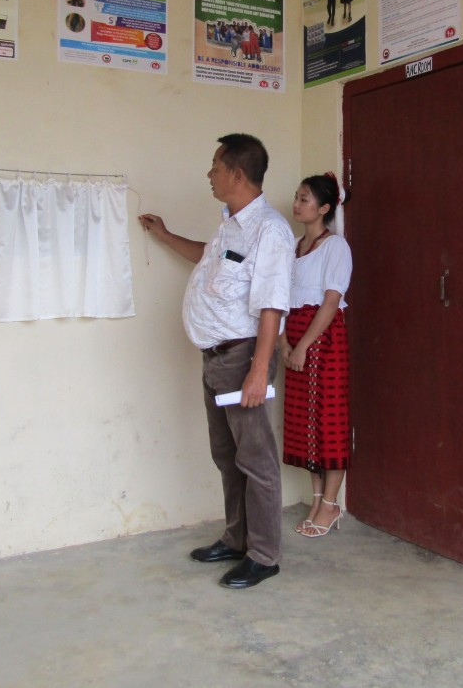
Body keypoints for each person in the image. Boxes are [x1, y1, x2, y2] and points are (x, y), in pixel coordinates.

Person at [138, 134, 294, 590]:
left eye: (215, 167)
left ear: (237, 175)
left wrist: (258, 370)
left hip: (243, 358)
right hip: (216, 359)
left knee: (256, 459)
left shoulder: (270, 232)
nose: (209, 174)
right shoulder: (231, 225)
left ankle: (264, 555)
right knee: (227, 455)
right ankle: (237, 537)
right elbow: (208, 260)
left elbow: (272, 307)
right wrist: (165, 236)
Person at [280, 173, 352, 538]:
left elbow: (331, 301)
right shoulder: (291, 246)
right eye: (296, 196)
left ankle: (332, 504)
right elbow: (279, 297)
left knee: (329, 420)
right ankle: (317, 498)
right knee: (303, 422)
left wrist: (305, 344)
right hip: (294, 336)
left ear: (324, 208)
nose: (297, 203)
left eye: (305, 199)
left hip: (322, 339)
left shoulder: (335, 248)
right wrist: (283, 343)